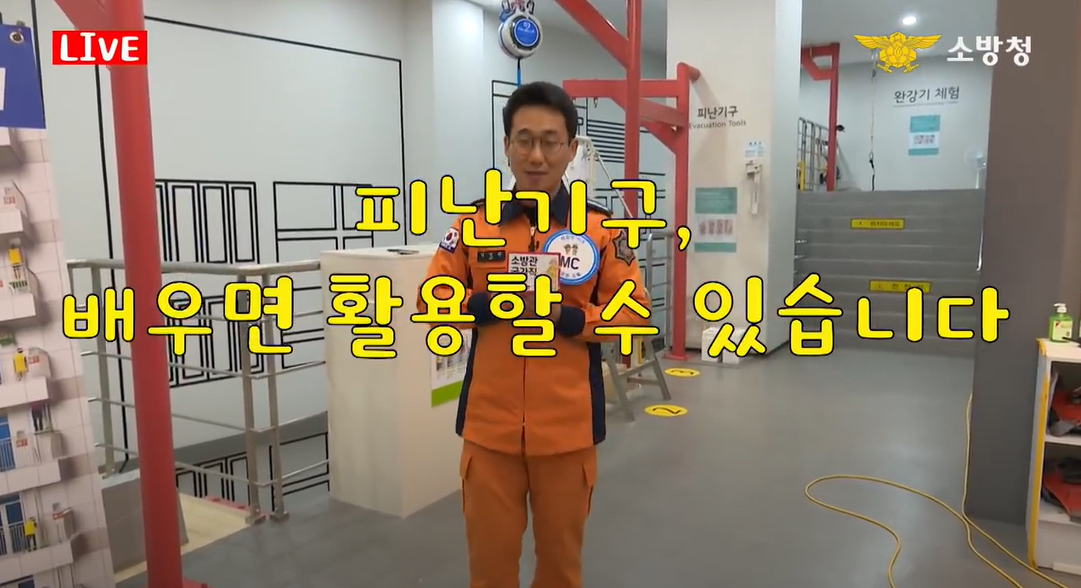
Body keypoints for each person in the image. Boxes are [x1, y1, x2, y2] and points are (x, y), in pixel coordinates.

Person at [417, 81, 651, 588]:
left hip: (568, 434)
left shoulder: (600, 229)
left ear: (571, 148)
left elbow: (635, 312)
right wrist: (484, 305)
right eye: (524, 140)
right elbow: (429, 300)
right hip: (489, 433)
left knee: (561, 571)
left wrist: (572, 318)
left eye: (550, 141)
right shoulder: (473, 223)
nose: (537, 155)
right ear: (506, 146)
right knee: (489, 572)